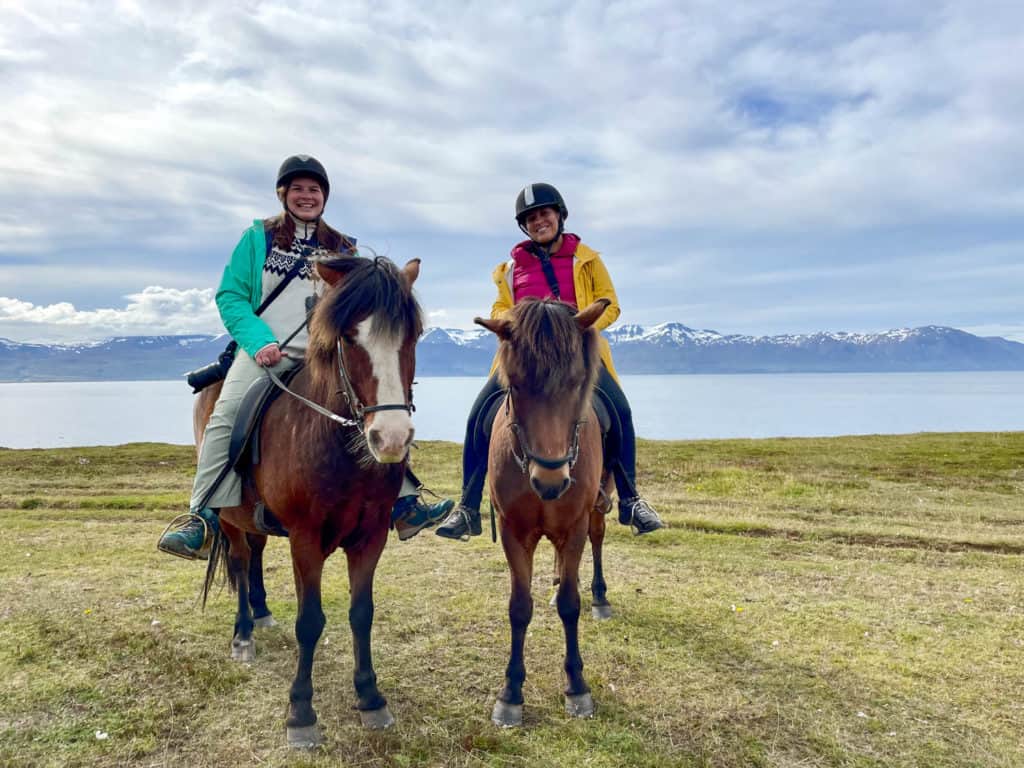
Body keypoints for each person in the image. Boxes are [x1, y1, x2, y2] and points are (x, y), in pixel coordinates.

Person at [158, 155, 451, 559]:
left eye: (314, 189)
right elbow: (231, 297)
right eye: (297, 188)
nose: (306, 196)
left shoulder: (343, 246)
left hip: (326, 355)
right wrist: (259, 340)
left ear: (324, 196)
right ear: (283, 194)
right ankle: (203, 516)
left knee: (377, 406)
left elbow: (361, 307)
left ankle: (403, 501)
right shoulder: (256, 238)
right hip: (267, 353)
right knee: (225, 414)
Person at [435, 182, 664, 540]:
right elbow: (499, 306)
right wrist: (511, 323)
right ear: (524, 226)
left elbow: (610, 303)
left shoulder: (586, 259)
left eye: (544, 213)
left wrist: (577, 331)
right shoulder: (510, 269)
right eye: (530, 218)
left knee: (621, 412)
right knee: (477, 417)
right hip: (524, 359)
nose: (539, 221)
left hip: (578, 356)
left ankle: (631, 500)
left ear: (559, 215)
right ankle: (467, 507)